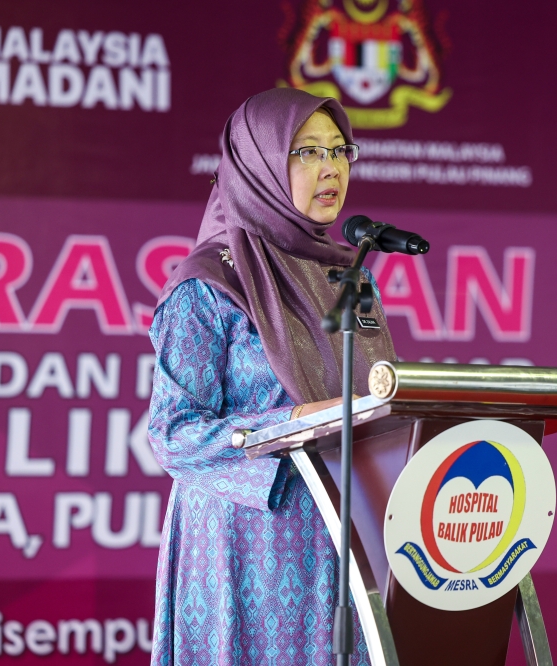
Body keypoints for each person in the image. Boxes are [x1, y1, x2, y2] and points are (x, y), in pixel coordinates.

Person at [147, 88, 396, 665]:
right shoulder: (207, 285)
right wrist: (291, 423)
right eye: (306, 152)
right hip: (249, 545)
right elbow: (174, 434)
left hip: (344, 535)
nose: (330, 168)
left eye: (339, 151)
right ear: (259, 164)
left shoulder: (345, 275)